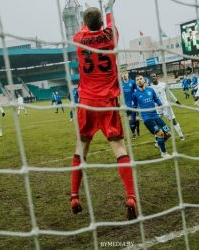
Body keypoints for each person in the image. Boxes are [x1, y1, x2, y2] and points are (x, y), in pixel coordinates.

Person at [71, 0, 137, 220]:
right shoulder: (111, 36)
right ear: (101, 22)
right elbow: (109, 21)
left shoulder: (79, 39)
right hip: (108, 102)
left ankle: (74, 196)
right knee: (119, 148)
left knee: (81, 149)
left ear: (84, 23)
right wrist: (108, 8)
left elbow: (85, 26)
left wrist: (89, 18)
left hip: (86, 103)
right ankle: (130, 197)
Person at [132, 75, 171, 158]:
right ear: (136, 82)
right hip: (146, 118)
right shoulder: (135, 94)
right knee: (160, 133)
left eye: (140, 79)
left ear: (144, 80)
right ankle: (163, 153)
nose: (139, 80)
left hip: (155, 115)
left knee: (168, 133)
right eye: (137, 80)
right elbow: (134, 107)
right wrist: (135, 117)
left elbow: (156, 99)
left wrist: (161, 106)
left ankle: (158, 142)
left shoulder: (150, 90)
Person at [149, 73, 185, 141]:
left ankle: (181, 135)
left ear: (157, 77)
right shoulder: (150, 88)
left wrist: (177, 102)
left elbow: (170, 94)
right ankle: (158, 140)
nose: (153, 77)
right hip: (157, 108)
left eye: (154, 76)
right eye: (151, 77)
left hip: (166, 106)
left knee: (173, 121)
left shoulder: (163, 85)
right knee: (156, 124)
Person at [121, 70, 140, 139]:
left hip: (134, 103)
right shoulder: (121, 83)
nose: (124, 75)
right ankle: (133, 133)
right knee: (130, 120)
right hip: (127, 105)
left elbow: (137, 91)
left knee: (137, 119)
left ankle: (137, 127)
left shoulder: (132, 82)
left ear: (128, 74)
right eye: (122, 74)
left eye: (125, 73)